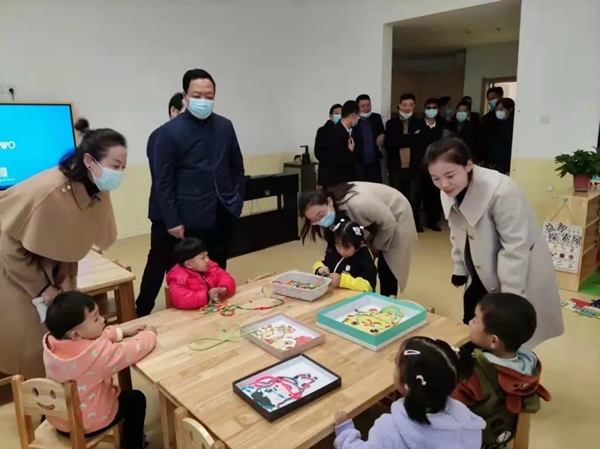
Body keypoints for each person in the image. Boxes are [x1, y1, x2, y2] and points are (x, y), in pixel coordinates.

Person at [0, 118, 124, 405]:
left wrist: (67, 280)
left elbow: (74, 240)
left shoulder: (95, 188)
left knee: (66, 335)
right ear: (90, 161)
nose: (118, 174)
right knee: (34, 345)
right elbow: (10, 248)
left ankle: (74, 400)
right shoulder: (49, 191)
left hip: (55, 273)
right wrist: (43, 289)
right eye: (115, 165)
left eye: (123, 167)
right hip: (18, 273)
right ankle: (47, 409)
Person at [425, 137, 564, 347]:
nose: (443, 184)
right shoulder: (449, 189)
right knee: (474, 322)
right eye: (435, 178)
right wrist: (459, 267)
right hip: (479, 269)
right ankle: (474, 359)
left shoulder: (502, 190)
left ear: (468, 165)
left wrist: (509, 297)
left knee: (504, 334)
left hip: (513, 271)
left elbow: (515, 246)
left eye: (450, 175)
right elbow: (457, 230)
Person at [153, 69, 245, 282]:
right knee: (191, 275)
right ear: (185, 96)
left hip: (223, 211)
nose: (203, 101)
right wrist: (172, 220)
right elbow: (164, 181)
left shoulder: (225, 126)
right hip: (189, 217)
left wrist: (237, 199)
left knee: (218, 267)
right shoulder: (169, 132)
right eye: (197, 95)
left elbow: (236, 167)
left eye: (209, 96)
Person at [44, 291, 157, 449]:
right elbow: (134, 349)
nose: (103, 319)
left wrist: (121, 332)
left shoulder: (53, 345)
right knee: (135, 400)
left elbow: (96, 337)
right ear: (76, 334)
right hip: (90, 423)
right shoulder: (97, 355)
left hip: (59, 420)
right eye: (96, 318)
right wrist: (149, 334)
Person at [333, 336, 485, 449]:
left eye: (396, 364)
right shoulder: (465, 420)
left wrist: (346, 434)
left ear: (408, 385)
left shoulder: (390, 430)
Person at [454, 293, 551, 449]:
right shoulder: (528, 364)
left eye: (475, 319)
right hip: (501, 438)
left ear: (493, 341)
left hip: (475, 441)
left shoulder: (476, 373)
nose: (470, 322)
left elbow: (450, 407)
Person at [299, 182, 416, 298]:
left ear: (329, 202)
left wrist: (375, 247)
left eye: (321, 215)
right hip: (374, 218)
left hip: (394, 215)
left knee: (387, 264)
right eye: (314, 220)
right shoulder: (333, 210)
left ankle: (387, 299)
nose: (320, 221)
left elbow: (389, 223)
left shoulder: (359, 204)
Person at [136, 93, 187, 317]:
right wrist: (172, 217)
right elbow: (163, 180)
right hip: (165, 212)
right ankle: (142, 309)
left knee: (183, 261)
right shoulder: (160, 136)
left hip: (189, 211)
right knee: (158, 261)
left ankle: (181, 302)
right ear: (173, 111)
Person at [166, 237, 236, 309]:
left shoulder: (211, 266)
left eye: (207, 255)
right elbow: (180, 299)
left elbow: (226, 277)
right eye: (203, 258)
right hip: (191, 314)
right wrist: (207, 296)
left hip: (213, 310)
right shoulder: (178, 277)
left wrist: (224, 289)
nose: (207, 260)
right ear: (189, 264)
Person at [312, 218, 377, 292]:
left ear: (358, 245)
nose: (340, 250)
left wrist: (343, 281)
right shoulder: (334, 250)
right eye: (337, 245)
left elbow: (368, 286)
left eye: (346, 247)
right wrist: (320, 268)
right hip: (335, 293)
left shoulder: (364, 257)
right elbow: (325, 262)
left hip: (354, 296)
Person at [412, 98, 447, 232]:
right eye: (429, 107)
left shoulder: (441, 126)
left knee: (434, 194)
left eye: (434, 107)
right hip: (419, 164)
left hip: (437, 164)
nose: (431, 110)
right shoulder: (417, 124)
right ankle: (416, 223)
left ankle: (432, 221)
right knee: (416, 195)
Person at [384, 93, 421, 199]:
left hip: (413, 168)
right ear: (399, 105)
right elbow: (391, 144)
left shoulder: (419, 123)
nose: (407, 108)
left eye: (410, 105)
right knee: (396, 198)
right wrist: (410, 138)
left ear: (414, 106)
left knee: (413, 199)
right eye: (404, 105)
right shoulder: (391, 123)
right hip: (396, 167)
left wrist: (401, 139)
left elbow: (419, 144)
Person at [319, 100, 362, 189]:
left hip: (350, 180)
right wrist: (349, 151)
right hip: (337, 182)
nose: (358, 118)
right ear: (353, 115)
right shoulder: (333, 132)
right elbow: (334, 160)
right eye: (358, 116)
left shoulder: (353, 132)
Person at [356, 94, 385, 183]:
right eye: (363, 106)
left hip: (374, 161)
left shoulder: (376, 118)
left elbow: (382, 131)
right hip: (359, 162)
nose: (366, 108)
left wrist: (382, 135)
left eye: (368, 105)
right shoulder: (354, 120)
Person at [484, 98, 515, 174]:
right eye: (497, 109)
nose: (498, 111)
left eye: (501, 109)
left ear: (510, 110)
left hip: (508, 165)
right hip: (494, 164)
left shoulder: (514, 126)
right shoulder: (493, 124)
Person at [315, 103, 342, 187]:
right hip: (327, 173)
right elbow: (318, 153)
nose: (339, 116)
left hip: (343, 173)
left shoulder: (347, 130)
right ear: (330, 116)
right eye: (337, 113)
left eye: (342, 114)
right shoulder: (323, 131)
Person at [480, 87, 504, 162]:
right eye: (489, 99)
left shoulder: (510, 115)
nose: (491, 101)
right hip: (490, 155)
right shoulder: (486, 118)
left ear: (501, 97)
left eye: (494, 98)